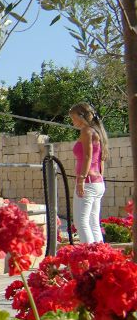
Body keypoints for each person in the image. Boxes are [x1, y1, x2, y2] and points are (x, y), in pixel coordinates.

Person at [69, 102, 109, 244]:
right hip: (97, 182)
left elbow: (88, 156)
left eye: (73, 118)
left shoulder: (87, 131)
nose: (73, 121)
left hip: (88, 182)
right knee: (93, 223)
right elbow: (101, 160)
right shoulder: (97, 131)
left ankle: (90, 258)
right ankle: (101, 257)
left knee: (81, 222)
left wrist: (81, 180)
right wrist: (99, 179)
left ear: (81, 117)